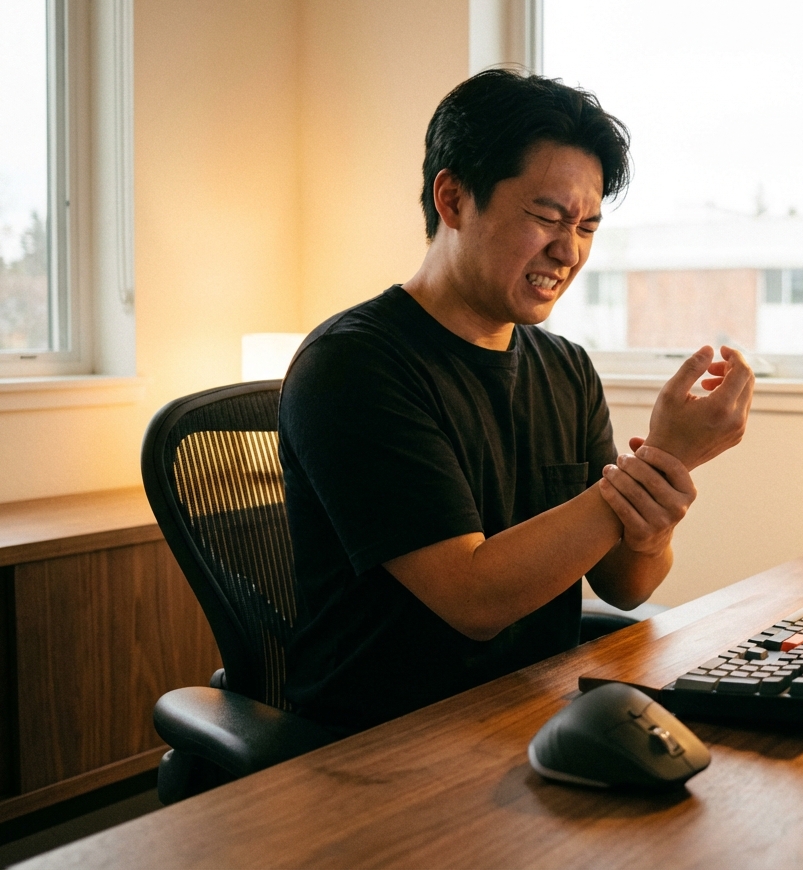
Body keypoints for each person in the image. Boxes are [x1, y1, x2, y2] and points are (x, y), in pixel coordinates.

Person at [279, 70, 753, 733]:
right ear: (453, 199)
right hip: (385, 741)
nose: (569, 250)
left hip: (534, 714)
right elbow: (472, 598)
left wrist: (658, 500)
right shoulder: (353, 365)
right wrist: (660, 458)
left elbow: (626, 583)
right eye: (547, 217)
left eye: (587, 226)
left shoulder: (567, 368)